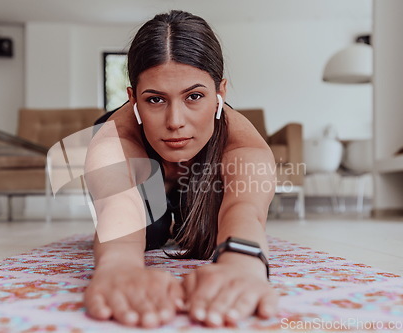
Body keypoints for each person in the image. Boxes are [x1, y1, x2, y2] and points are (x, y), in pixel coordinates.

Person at [84, 10, 278, 328]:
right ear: (133, 99)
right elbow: (118, 208)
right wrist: (118, 266)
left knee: (209, 229)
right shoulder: (113, 140)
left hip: (200, 178)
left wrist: (243, 262)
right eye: (156, 100)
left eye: (195, 96)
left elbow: (246, 208)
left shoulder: (241, 142)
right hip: (129, 167)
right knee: (151, 232)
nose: (175, 122)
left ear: (221, 93)